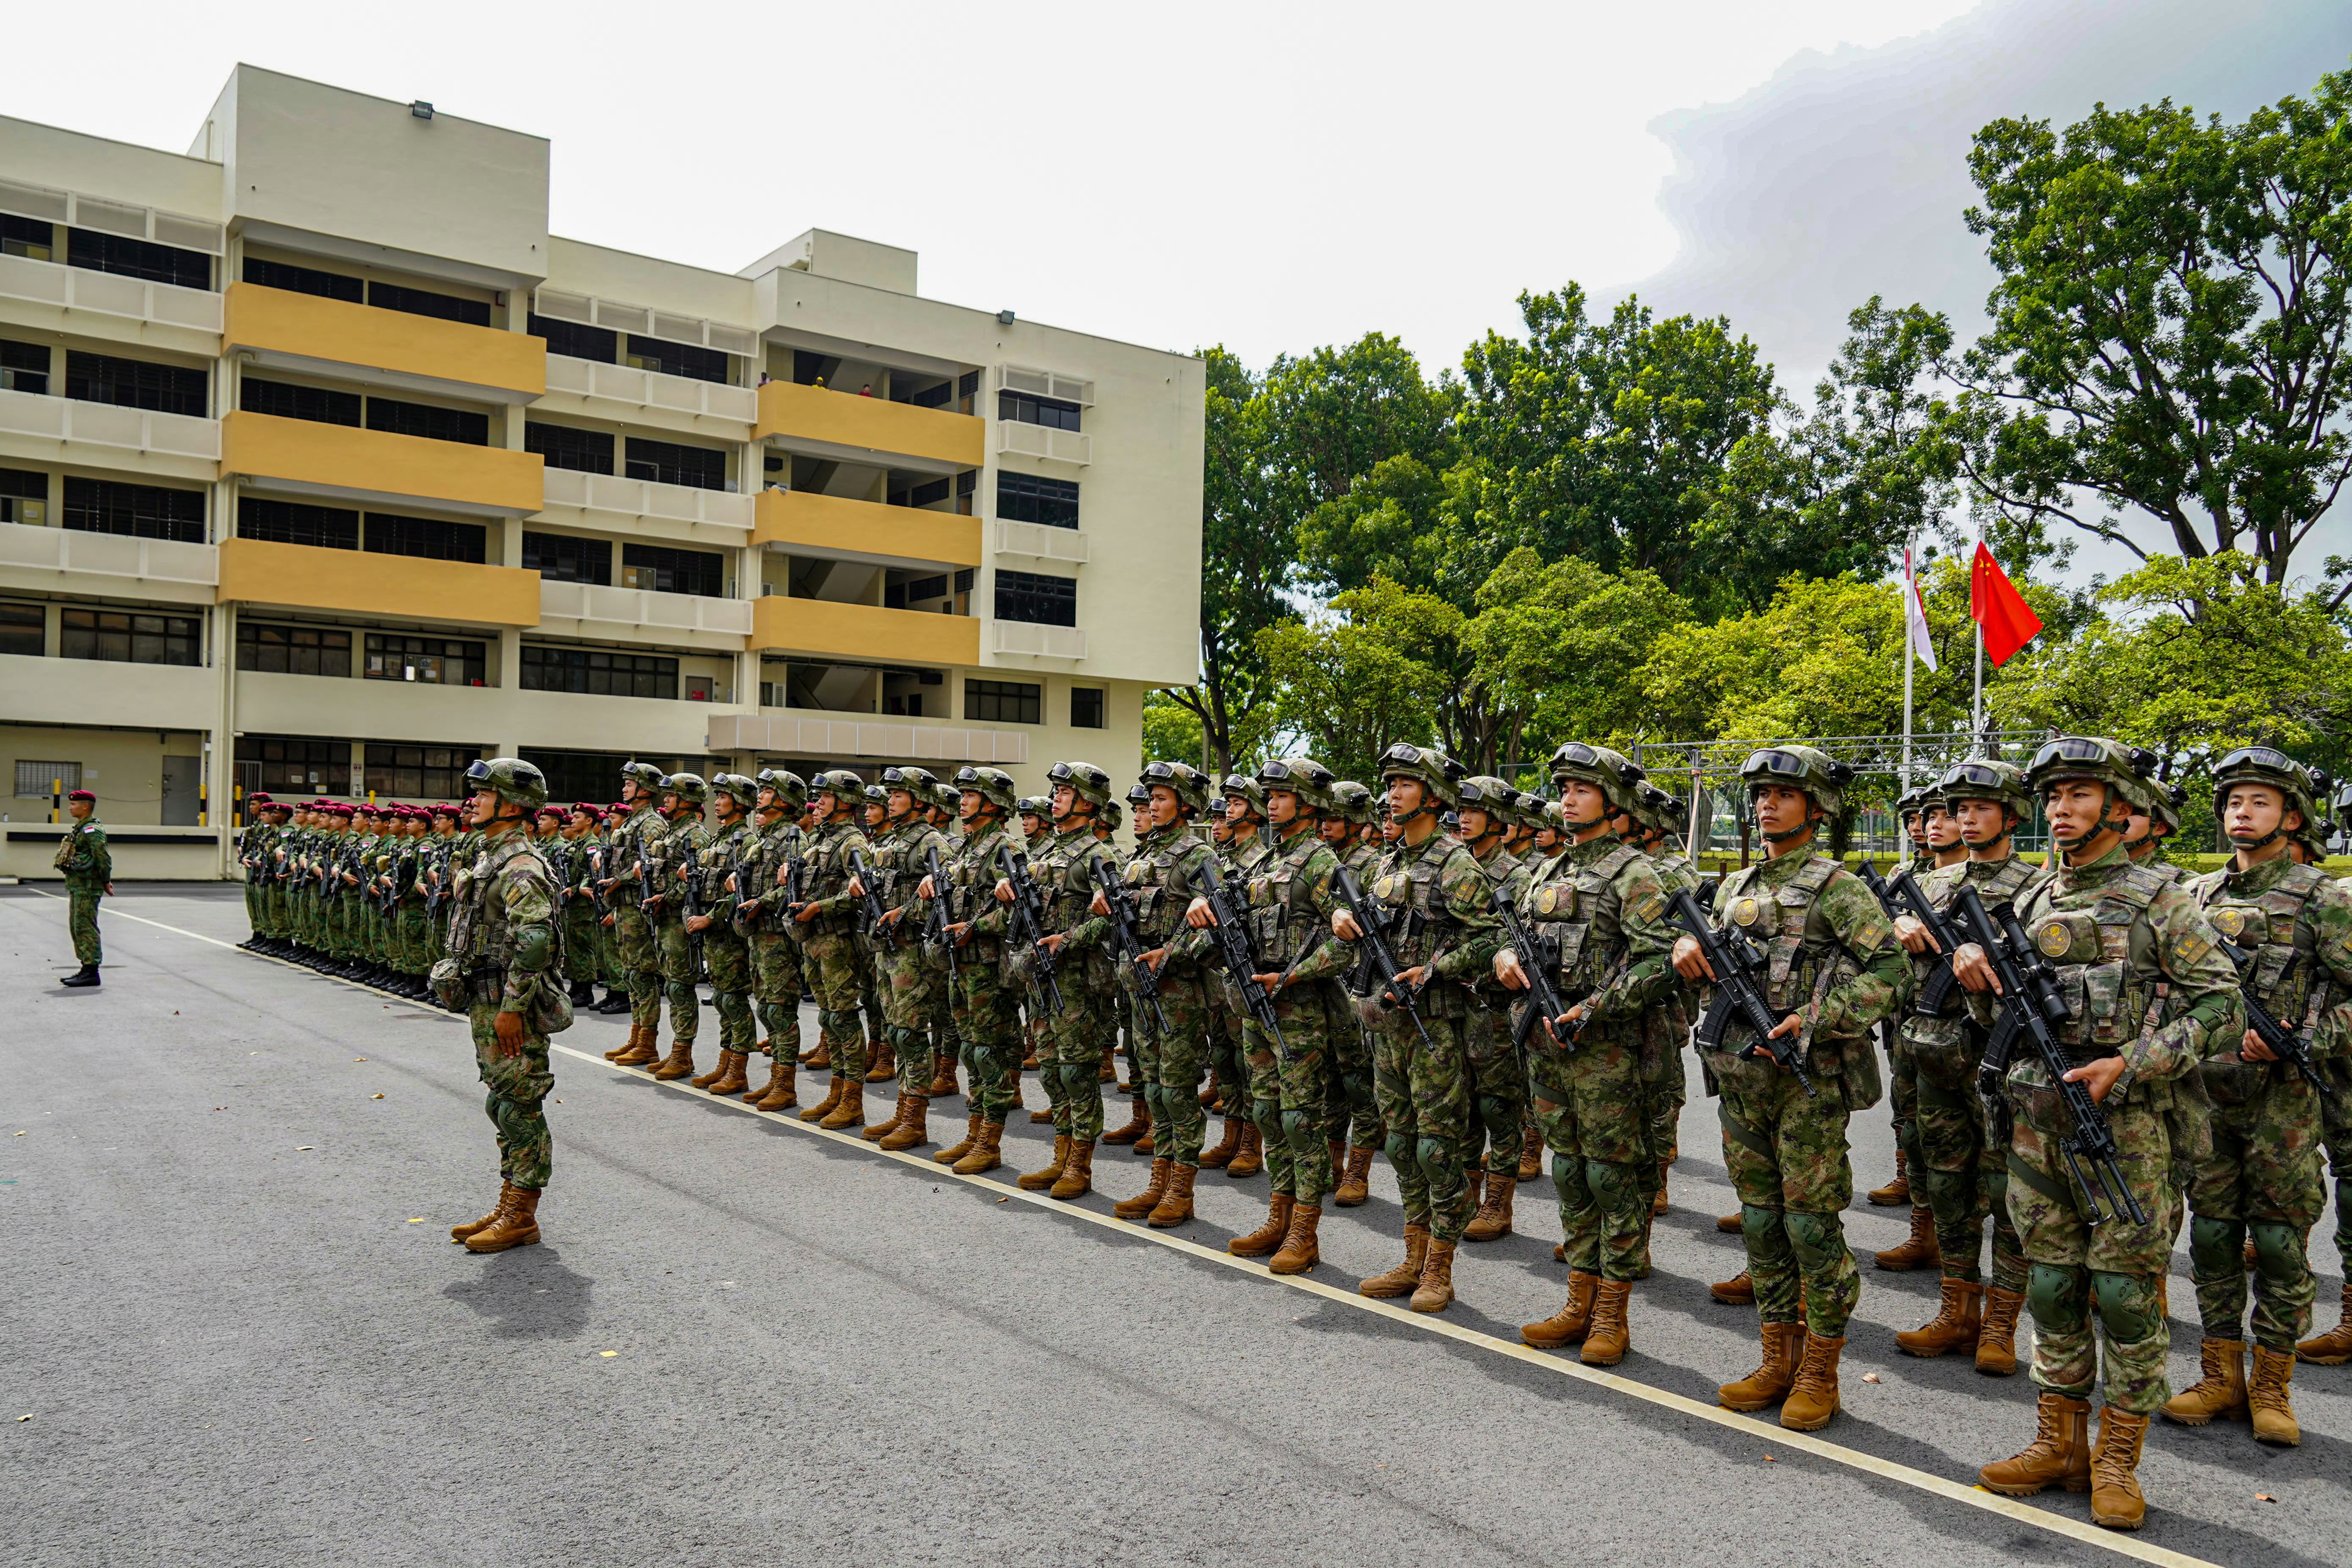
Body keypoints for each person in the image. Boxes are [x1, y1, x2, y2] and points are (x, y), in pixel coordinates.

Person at [1956, 736, 2239, 1530]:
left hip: (2130, 1131)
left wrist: (2133, 1061)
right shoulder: (2035, 900)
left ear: (2120, 805)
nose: (2060, 810)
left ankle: (2118, 1458)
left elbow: (2224, 1008)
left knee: (2121, 1296)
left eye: (2078, 794)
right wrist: (1980, 976)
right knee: (2050, 1285)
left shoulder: (2162, 900)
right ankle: (2058, 1442)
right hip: (2037, 1125)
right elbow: (2002, 1020)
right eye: (2052, 796)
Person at [1670, 745, 1904, 1430]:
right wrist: (1687, 956)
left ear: (1815, 804)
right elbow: (1709, 958)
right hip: (1742, 1080)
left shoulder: (1839, 887)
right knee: (1764, 1224)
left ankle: (1820, 1371)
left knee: (1809, 1227)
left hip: (1806, 1085)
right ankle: (1776, 1356)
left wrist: (1820, 1016)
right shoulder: (1736, 881)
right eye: (1761, 792)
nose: (1767, 802)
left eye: (1784, 791)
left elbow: (1891, 971)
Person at [2164, 747, 2349, 1448]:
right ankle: (2218, 1371)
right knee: (2212, 1236)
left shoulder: (2321, 897)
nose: (2242, 812)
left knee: (2277, 1241)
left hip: (2284, 1104)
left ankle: (2272, 1383)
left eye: (2260, 802)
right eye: (2234, 802)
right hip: (2208, 1098)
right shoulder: (2194, 896)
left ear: (2292, 817)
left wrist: (2302, 1037)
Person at [1502, 743, 1676, 1364]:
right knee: (1570, 1173)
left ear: (1612, 800)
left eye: (1581, 788)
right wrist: (1505, 959)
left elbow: (1662, 962)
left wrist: (1598, 1006)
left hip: (1607, 1053)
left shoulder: (1636, 874)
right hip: (1549, 1047)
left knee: (1611, 1178)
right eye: (1563, 787)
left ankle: (1612, 1315)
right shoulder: (1547, 871)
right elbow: (1517, 938)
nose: (1567, 797)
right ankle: (1578, 1298)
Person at [1887, 759, 2043, 1374]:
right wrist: (1896, 921)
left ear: (2010, 816)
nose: (1965, 819)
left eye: (1980, 808)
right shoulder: (1928, 886)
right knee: (1948, 1185)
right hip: (1935, 1056)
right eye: (1958, 809)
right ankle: (1957, 1310)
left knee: (2006, 1190)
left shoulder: (2035, 889)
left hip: (2002, 1062)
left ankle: (2001, 1324)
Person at [1335, 744, 1500, 1314]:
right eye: (1389, 784)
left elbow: (1493, 939)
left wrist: (1434, 970)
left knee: (1437, 1149)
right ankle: (1412, 1254)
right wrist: (1342, 919)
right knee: (1402, 1145)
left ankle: (1439, 1268)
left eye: (1404, 784)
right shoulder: (1388, 862)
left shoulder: (1456, 863)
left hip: (1434, 1028)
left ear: (1431, 795)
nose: (1392, 795)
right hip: (1387, 1028)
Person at [1211, 757, 1353, 1271]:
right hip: (1255, 1005)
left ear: (1308, 804)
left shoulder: (1319, 862)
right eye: (1268, 794)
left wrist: (1291, 975)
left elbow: (1348, 945)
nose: (1271, 802)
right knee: (1268, 1114)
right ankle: (1279, 1214)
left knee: (1299, 1119)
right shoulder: (1261, 861)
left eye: (1282, 794)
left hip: (1298, 1012)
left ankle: (1304, 1231)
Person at [436, 757, 568, 1254]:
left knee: (518, 1103)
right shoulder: (492, 855)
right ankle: (510, 1199)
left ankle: (522, 1214)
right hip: (488, 999)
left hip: (508, 1003)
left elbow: (535, 939)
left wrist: (514, 1007)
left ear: (511, 806)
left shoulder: (520, 864)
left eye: (483, 794)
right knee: (501, 1099)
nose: (473, 801)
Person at [999, 762, 1122, 1198]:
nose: (1055, 798)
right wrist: (1006, 889)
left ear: (1088, 801)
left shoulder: (1098, 854)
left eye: (1065, 791)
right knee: (1051, 1070)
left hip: (1075, 982)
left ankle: (1080, 1166)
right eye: (1055, 790)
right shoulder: (1045, 850)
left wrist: (1067, 939)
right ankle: (1061, 1154)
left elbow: (1112, 919)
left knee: (1076, 1072)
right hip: (1041, 979)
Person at [1108, 763, 1223, 1225]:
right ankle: (1159, 1179)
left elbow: (1215, 929)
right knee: (1154, 1087)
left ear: (1183, 803)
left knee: (1177, 1091)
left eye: (1161, 797)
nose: (1152, 805)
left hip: (1179, 991)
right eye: (1150, 798)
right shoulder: (1143, 854)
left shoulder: (1199, 855)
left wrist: (1169, 953)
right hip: (1141, 988)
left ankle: (1182, 1188)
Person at [1875, 781, 1969, 1271]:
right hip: (1914, 1025)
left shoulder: (1994, 881)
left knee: (1981, 1161)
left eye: (1943, 815)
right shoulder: (1912, 879)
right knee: (1913, 1131)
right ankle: (1924, 1232)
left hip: (1971, 1035)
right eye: (1926, 815)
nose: (1931, 823)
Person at [926, 767, 1029, 1172]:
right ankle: (973, 1133)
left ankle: (990, 1142)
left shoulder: (1007, 849)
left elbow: (1021, 912)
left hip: (988, 969)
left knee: (989, 1054)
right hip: (961, 967)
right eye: (963, 794)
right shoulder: (967, 850)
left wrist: (973, 928)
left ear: (991, 803)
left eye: (971, 795)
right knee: (970, 1051)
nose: (963, 801)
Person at [1455, 776, 1535, 1242]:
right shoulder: (1452, 866)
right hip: (1453, 1006)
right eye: (1461, 810)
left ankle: (1497, 1204)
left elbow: (1519, 943)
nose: (1464, 818)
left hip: (1495, 1008)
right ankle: (1466, 1196)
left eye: (1475, 810)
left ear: (1497, 819)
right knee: (1462, 1105)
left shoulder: (1517, 877)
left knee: (1499, 1106)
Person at [791, 771, 878, 1128]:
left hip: (839, 942)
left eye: (827, 797)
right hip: (816, 941)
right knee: (829, 1018)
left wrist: (819, 908)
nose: (820, 803)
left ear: (846, 802)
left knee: (843, 1018)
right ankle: (837, 1092)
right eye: (819, 796)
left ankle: (852, 1100)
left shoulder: (852, 842)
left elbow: (862, 893)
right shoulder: (821, 840)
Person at [686, 775, 762, 1098]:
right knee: (721, 998)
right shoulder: (721, 839)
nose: (716, 802)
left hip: (728, 932)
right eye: (716, 796)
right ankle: (726, 1060)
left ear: (740, 803)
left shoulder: (743, 840)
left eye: (723, 797)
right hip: (713, 934)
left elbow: (743, 892)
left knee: (733, 999)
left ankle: (739, 1068)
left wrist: (710, 918)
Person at [639, 773, 711, 1082]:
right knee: (671, 985)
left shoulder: (694, 834)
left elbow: (697, 881)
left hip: (679, 919)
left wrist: (666, 897)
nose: (665, 800)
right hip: (665, 918)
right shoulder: (673, 831)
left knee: (680, 987)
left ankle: (683, 1054)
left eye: (671, 796)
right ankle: (676, 1050)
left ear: (686, 800)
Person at [601, 763, 673, 1067]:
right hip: (624, 906)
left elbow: (652, 867)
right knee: (630, 973)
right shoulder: (632, 823)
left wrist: (619, 880)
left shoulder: (651, 824)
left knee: (642, 974)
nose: (625, 788)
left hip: (638, 907)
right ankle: (637, 1034)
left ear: (645, 788)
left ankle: (648, 1042)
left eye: (631, 784)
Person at [55, 788, 112, 987]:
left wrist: (106, 880)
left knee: (86, 928)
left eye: (73, 804)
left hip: (88, 887)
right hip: (79, 886)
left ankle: (91, 972)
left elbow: (102, 857)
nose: (70, 808)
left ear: (85, 806)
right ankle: (86, 968)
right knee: (77, 927)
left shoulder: (92, 830)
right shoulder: (81, 828)